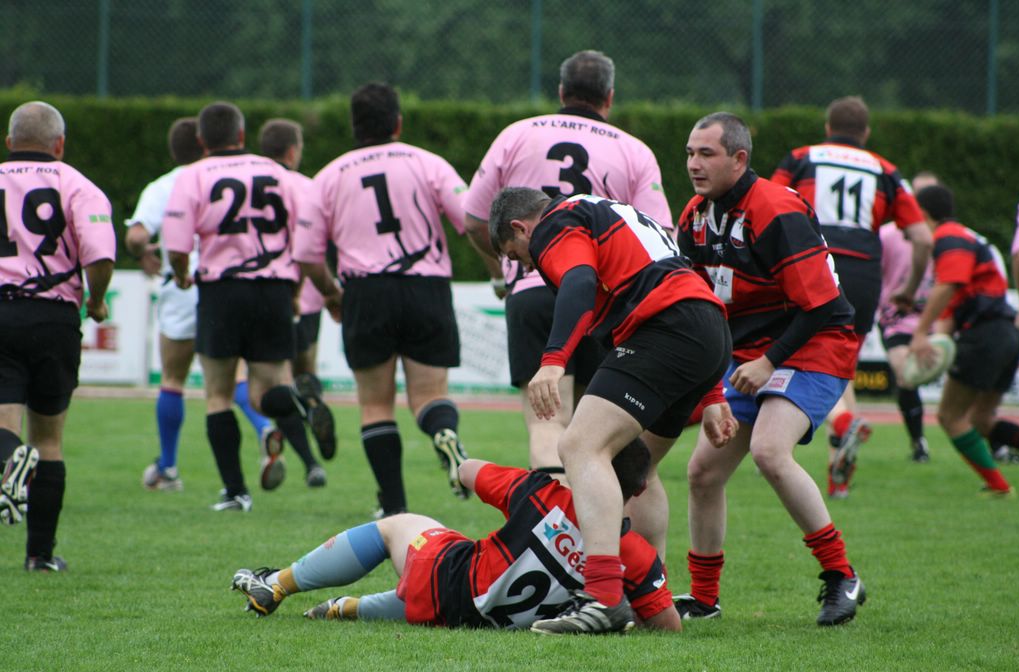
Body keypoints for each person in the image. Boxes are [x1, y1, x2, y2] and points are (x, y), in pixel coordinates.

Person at [488, 187, 734, 635]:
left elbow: (579, 282)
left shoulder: (556, 223)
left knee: (580, 446)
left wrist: (553, 360)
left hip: (665, 327)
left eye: (515, 254)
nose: (527, 266)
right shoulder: (604, 211)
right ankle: (652, 602)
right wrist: (712, 392)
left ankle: (603, 597)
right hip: (706, 329)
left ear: (522, 228)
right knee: (639, 464)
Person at [677, 112, 865, 626]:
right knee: (702, 472)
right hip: (750, 356)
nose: (694, 164)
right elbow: (697, 305)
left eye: (707, 153)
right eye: (690, 153)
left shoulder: (775, 208)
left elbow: (822, 306)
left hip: (815, 343)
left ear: (740, 159)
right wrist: (710, 384)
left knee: (768, 450)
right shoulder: (695, 215)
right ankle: (704, 600)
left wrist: (768, 361)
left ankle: (842, 576)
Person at [462, 49, 673, 479]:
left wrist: (500, 270)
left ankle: (552, 519)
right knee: (596, 435)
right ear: (609, 97)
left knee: (547, 423)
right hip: (602, 302)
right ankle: (599, 518)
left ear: (560, 91)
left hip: (531, 294)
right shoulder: (634, 150)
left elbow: (473, 219)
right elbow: (660, 234)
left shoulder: (517, 134)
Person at [230, 439, 680, 631]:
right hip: (493, 621)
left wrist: (548, 475)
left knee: (399, 526)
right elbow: (667, 626)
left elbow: (468, 471)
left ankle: (277, 584)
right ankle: (344, 608)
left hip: (451, 584)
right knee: (439, 592)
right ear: (639, 489)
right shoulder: (636, 556)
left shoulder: (544, 494)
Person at [294, 83, 472, 517]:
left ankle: (394, 507)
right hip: (426, 287)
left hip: (365, 292)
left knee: (375, 404)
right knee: (429, 395)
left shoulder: (329, 177)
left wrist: (332, 293)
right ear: (398, 123)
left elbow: (306, 256)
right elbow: (469, 219)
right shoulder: (428, 163)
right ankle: (444, 434)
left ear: (354, 125)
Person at [162, 101, 321, 511]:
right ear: (242, 135)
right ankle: (302, 403)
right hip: (272, 289)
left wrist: (181, 275)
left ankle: (235, 492)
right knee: (267, 390)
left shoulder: (193, 174)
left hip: (221, 290)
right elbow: (303, 239)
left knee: (218, 394)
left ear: (201, 140)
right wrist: (294, 288)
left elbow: (176, 245)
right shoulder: (277, 173)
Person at [771, 96, 932, 498]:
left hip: (811, 262)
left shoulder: (801, 158)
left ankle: (838, 423)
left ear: (827, 128)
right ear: (866, 132)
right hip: (863, 274)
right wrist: (909, 290)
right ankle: (838, 477)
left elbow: (767, 208)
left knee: (782, 356)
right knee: (841, 366)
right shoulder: (886, 170)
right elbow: (922, 238)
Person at [125, 117, 286, 491]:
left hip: (183, 283)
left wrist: (144, 253)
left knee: (174, 378)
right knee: (235, 375)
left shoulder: (165, 185)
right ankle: (265, 427)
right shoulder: (240, 174)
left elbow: (136, 236)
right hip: (228, 284)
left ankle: (168, 468)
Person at [0, 101, 116, 570]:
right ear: (60, 144)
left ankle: (11, 458)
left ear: (9, 142)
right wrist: (97, 300)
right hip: (53, 317)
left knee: (4, 422)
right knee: (49, 439)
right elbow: (100, 256)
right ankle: (40, 556)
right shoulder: (79, 186)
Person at [909, 184, 1019, 497]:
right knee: (981, 419)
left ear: (922, 213)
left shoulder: (949, 236)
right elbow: (951, 307)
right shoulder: (965, 237)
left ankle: (999, 486)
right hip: (1007, 334)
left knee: (950, 416)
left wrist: (920, 333)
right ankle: (998, 485)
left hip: (985, 335)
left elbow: (948, 285)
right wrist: (938, 342)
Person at [257, 117, 335, 486]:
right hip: (309, 294)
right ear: (293, 151)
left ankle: (310, 463)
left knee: (273, 385)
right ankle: (313, 404)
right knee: (305, 371)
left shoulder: (250, 184)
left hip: (271, 292)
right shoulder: (309, 187)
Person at [876, 171, 941, 464]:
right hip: (897, 319)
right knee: (905, 374)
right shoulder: (888, 234)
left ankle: (995, 444)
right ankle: (919, 443)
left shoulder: (949, 237)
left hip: (939, 320)